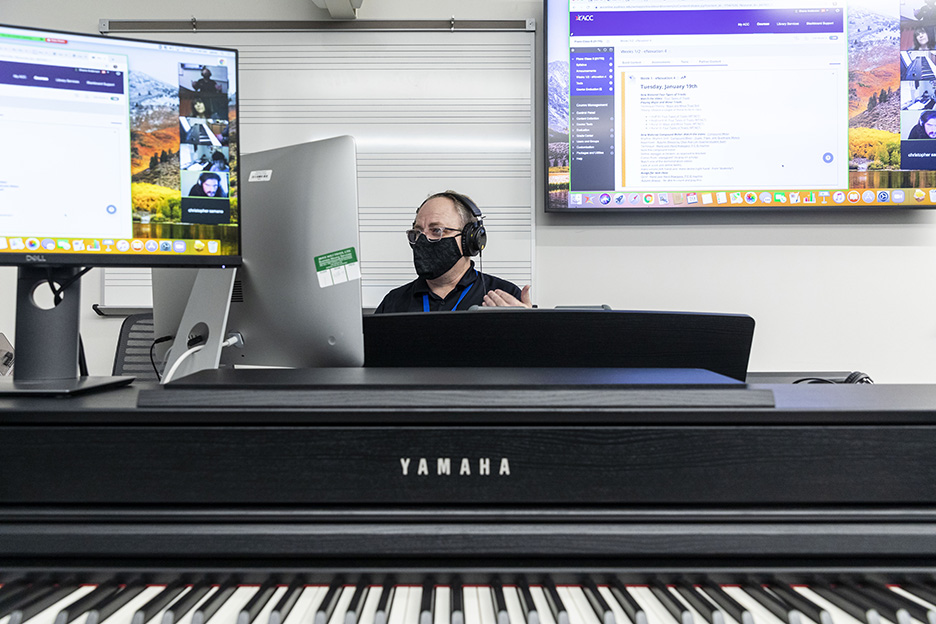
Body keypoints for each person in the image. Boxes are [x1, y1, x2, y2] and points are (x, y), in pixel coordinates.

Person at [374, 191, 532, 313]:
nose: (423, 239)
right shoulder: (393, 302)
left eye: (437, 230)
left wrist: (528, 326)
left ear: (470, 239)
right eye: (418, 232)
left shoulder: (504, 297)